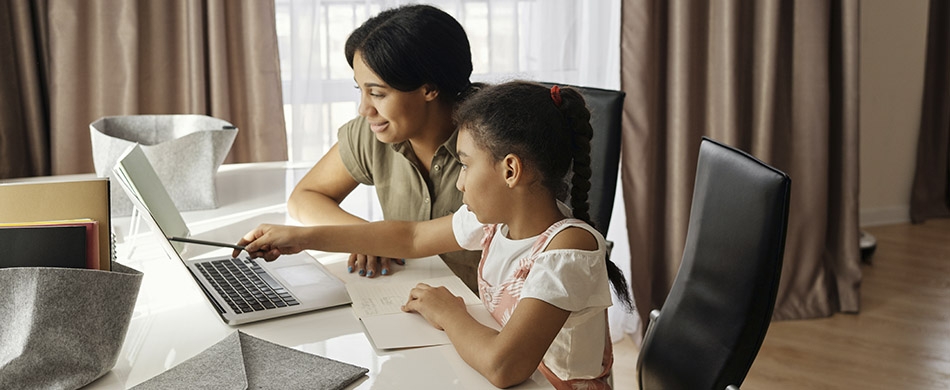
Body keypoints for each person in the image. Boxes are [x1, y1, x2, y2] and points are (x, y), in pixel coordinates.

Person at [236, 81, 633, 389]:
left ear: (510, 171)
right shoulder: (495, 222)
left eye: (464, 165)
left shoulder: (567, 251)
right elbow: (409, 238)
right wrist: (302, 238)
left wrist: (449, 313)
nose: (459, 183)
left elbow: (503, 366)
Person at [286, 4, 482, 289]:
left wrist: (374, 237)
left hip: (488, 316)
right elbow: (304, 197)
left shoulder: (494, 142)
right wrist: (367, 237)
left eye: (377, 93)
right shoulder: (376, 131)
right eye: (360, 90)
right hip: (409, 302)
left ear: (429, 89)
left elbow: (412, 239)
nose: (364, 109)